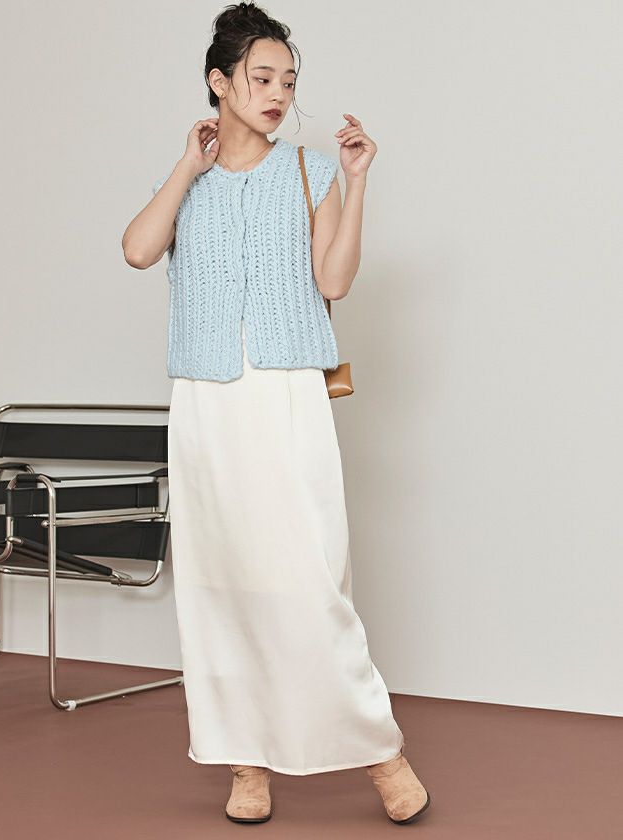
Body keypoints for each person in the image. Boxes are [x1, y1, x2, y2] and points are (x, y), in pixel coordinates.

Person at [122, 1, 430, 826]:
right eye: (261, 78)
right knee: (221, 584)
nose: (278, 95)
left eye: (288, 82)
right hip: (207, 400)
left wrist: (357, 182)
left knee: (308, 580)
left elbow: (334, 281)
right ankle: (246, 761)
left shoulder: (310, 171)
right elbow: (139, 250)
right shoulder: (187, 184)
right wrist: (184, 168)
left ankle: (381, 753)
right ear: (219, 83)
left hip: (287, 392)